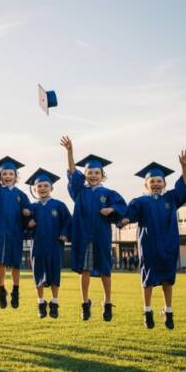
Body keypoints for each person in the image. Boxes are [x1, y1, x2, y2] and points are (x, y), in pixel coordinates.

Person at [119, 150, 186, 330]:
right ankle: (147, 312)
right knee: (147, 280)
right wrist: (124, 220)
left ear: (164, 183)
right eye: (152, 181)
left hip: (169, 245)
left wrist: (184, 167)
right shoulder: (139, 201)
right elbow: (129, 216)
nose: (155, 184)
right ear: (146, 184)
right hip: (149, 247)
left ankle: (168, 311)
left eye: (158, 181)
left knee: (168, 281)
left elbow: (185, 187)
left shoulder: (171, 198)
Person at [60, 136, 127, 322]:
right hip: (84, 237)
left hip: (102, 237)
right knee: (85, 271)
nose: (93, 175)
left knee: (105, 271)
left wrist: (112, 209)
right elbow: (73, 173)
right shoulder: (79, 192)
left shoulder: (109, 193)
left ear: (102, 175)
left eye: (97, 172)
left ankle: (107, 302)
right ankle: (85, 303)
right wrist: (70, 152)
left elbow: (122, 207)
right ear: (85, 175)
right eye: (90, 172)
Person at [0, 135, 31, 310]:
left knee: (16, 264)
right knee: (1, 263)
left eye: (11, 173)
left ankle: (15, 291)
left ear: (16, 176)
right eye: (4, 174)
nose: (7, 176)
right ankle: (1, 290)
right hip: (0, 233)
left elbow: (29, 213)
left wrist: (27, 214)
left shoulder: (21, 195)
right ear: (0, 177)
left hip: (16, 234)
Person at [24, 168, 71, 319]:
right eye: (39, 186)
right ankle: (41, 302)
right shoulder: (31, 207)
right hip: (37, 245)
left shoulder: (59, 205)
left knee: (55, 273)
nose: (42, 188)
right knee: (38, 274)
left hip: (55, 245)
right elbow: (23, 227)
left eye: (45, 186)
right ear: (34, 189)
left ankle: (55, 302)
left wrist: (64, 233)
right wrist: (28, 225)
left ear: (51, 188)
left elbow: (68, 222)